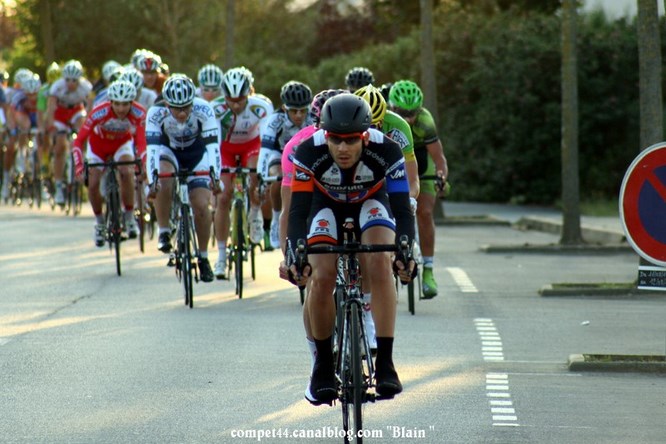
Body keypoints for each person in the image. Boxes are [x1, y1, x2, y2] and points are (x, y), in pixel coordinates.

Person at [285, 93, 416, 405]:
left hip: (371, 202)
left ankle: (385, 363)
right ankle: (322, 367)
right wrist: (295, 255)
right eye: (335, 140)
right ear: (324, 134)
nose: (343, 148)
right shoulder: (308, 151)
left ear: (365, 136)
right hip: (324, 205)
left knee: (381, 261)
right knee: (321, 276)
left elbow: (402, 209)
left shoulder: (387, 150)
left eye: (351, 140)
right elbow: (297, 212)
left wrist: (406, 252)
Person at [354, 84, 419, 350]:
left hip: (385, 183)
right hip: (350, 187)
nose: (373, 131)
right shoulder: (345, 131)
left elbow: (411, 178)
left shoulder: (398, 128)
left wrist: (408, 201)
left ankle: (370, 311)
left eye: (378, 125)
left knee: (377, 247)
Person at [145, 74, 220, 283]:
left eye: (186, 107)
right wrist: (152, 181)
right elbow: (152, 152)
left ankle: (203, 257)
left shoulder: (204, 108)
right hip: (169, 152)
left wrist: (215, 177)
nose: (182, 113)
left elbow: (214, 148)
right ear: (166, 104)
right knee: (163, 179)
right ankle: (164, 230)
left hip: (197, 155)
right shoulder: (155, 112)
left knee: (202, 205)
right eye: (176, 108)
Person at [210, 68, 273, 279]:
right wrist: (215, 173)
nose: (236, 105)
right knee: (223, 197)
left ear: (249, 93)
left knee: (255, 177)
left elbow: (266, 142)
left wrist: (262, 173)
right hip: (225, 149)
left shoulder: (260, 107)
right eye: (231, 100)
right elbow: (214, 143)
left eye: (240, 100)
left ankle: (254, 214)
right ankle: (221, 256)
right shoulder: (216, 108)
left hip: (251, 146)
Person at [389, 80, 448, 298]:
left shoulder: (425, 122)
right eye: (402, 113)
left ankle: (429, 270)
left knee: (424, 213)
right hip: (396, 164)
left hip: (422, 166)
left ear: (420, 110)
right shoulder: (387, 121)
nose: (407, 119)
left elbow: (439, 158)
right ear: (392, 108)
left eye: (412, 113)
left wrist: (441, 176)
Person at [72, 80, 146, 245]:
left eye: (125, 104)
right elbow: (78, 141)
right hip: (98, 146)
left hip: (121, 144)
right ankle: (99, 222)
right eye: (117, 104)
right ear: (110, 102)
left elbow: (142, 142)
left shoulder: (139, 113)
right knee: (93, 184)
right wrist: (79, 166)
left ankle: (129, 216)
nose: (121, 109)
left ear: (132, 102)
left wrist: (144, 162)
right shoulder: (99, 112)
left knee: (127, 172)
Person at [258, 80, 313, 250]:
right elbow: (265, 150)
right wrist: (261, 175)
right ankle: (276, 218)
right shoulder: (274, 120)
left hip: (305, 155)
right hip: (279, 153)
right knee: (278, 178)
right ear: (284, 108)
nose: (299, 115)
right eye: (294, 111)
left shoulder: (313, 118)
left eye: (303, 110)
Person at [43, 60, 93, 206]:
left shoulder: (86, 87)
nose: (71, 83)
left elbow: (90, 109)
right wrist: (51, 125)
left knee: (83, 128)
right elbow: (51, 107)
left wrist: (89, 126)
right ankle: (58, 187)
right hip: (60, 113)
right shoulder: (57, 86)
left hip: (77, 111)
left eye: (74, 80)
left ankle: (83, 156)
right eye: (68, 80)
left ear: (79, 79)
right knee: (59, 147)